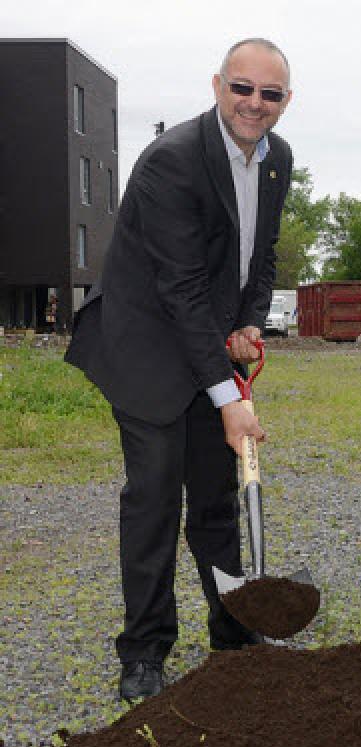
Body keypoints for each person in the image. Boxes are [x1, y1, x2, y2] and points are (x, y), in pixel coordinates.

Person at [65, 39, 294, 701]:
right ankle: (143, 651)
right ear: (218, 85)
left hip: (207, 339)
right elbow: (182, 290)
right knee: (155, 500)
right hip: (145, 346)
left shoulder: (275, 159)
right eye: (243, 88)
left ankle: (232, 632)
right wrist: (229, 398)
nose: (255, 104)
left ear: (285, 100)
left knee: (216, 501)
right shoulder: (172, 162)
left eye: (270, 94)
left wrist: (251, 320)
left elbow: (261, 254)